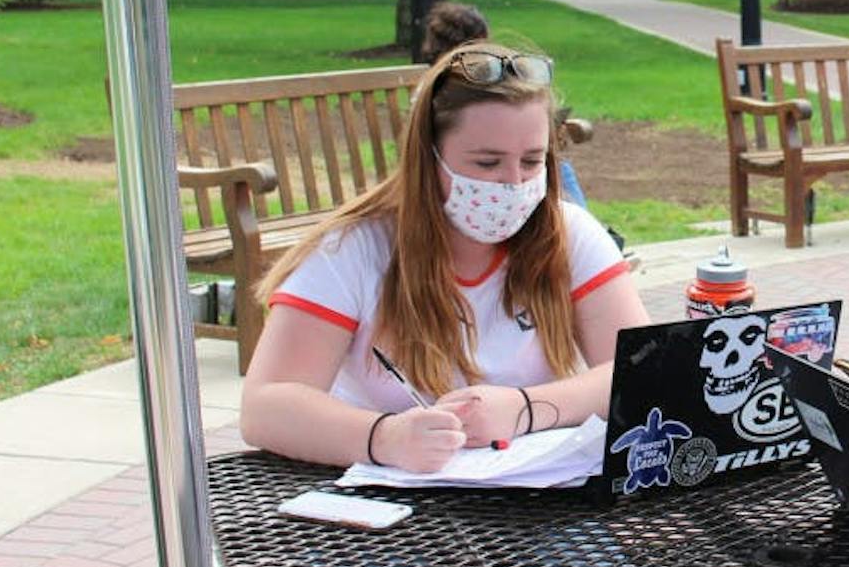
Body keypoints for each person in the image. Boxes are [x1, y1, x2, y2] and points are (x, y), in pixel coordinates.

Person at [239, 41, 649, 472]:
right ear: (428, 158)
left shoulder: (570, 234)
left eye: (532, 161)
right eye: (487, 163)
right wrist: (385, 436)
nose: (513, 183)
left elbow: (642, 371)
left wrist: (524, 409)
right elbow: (265, 407)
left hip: (532, 494)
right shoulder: (353, 248)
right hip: (388, 503)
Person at [420, 0, 589, 208]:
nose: (515, 181)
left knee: (556, 166)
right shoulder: (434, 92)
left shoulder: (489, 77)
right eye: (486, 163)